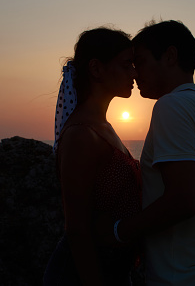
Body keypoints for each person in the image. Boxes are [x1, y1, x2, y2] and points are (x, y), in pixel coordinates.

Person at [105, 20, 195, 285]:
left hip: (189, 277)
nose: (135, 73)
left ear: (170, 56)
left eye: (142, 61)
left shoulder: (172, 106)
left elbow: (181, 201)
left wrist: (117, 232)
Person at [44, 27, 141, 286]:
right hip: (81, 275)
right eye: (126, 65)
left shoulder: (102, 126)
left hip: (112, 268)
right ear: (96, 69)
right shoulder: (81, 135)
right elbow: (76, 230)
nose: (134, 72)